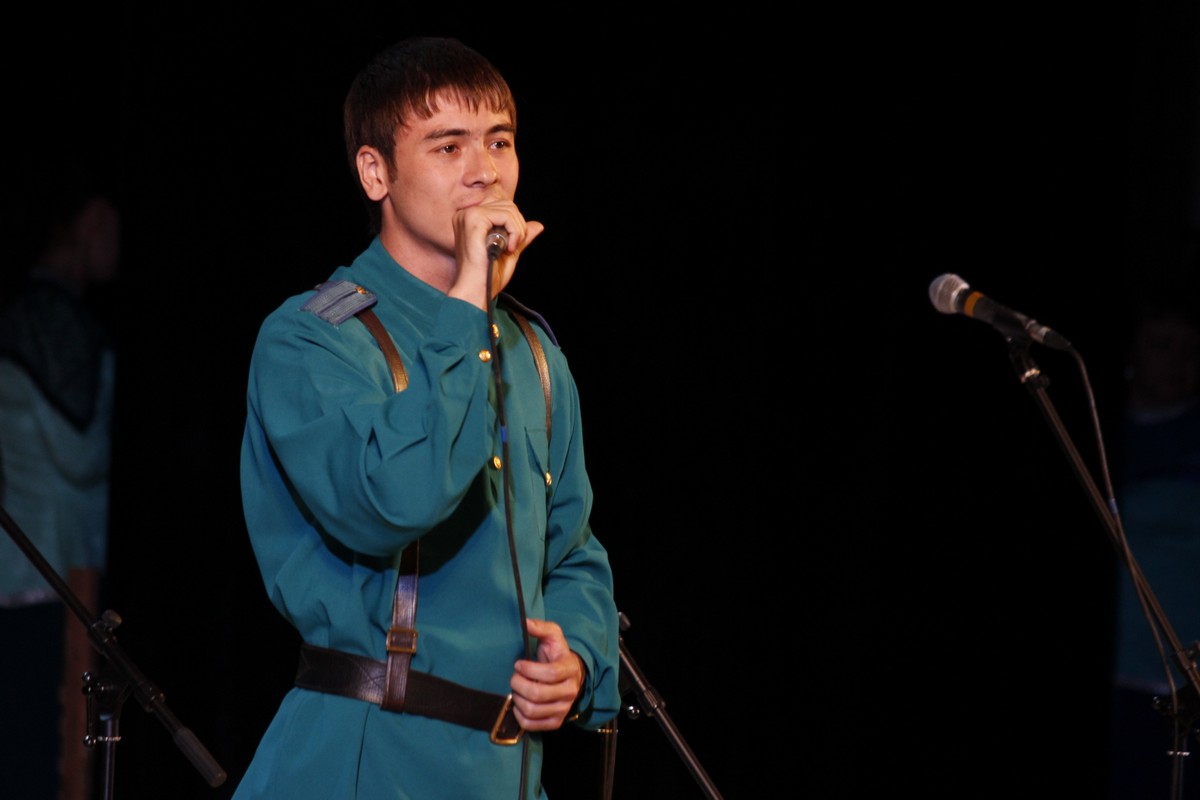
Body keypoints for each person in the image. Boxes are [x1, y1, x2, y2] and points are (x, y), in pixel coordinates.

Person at [233, 36, 621, 799]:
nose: (485, 171)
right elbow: (394, 502)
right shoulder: (313, 337)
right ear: (375, 172)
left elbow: (573, 551)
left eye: (500, 141)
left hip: (507, 772)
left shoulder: (533, 351)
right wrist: (468, 302)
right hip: (368, 755)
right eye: (448, 146)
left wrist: (578, 655)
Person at [0, 166, 120, 800]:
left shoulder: (44, 314)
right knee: (41, 761)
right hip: (40, 578)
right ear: (88, 222)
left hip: (41, 575)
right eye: (110, 228)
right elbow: (78, 453)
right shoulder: (51, 319)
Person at [1106, 291, 1200, 799]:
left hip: (1185, 684)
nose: (1177, 362)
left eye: (1190, 350)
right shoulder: (1103, 433)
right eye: (1162, 345)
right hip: (1122, 675)